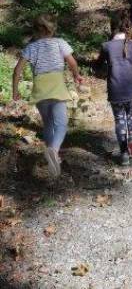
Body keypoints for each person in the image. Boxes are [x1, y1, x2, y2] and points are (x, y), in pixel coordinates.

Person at [12, 14, 83, 178]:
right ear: (52, 29)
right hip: (56, 85)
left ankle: (53, 160)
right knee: (62, 123)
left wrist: (15, 91)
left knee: (48, 123)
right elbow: (72, 62)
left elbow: (17, 70)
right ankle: (54, 150)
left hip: (40, 88)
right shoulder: (60, 43)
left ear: (36, 30)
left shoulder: (31, 47)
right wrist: (76, 75)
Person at [98, 10, 132, 165]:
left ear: (112, 28)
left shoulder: (106, 46)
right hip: (130, 89)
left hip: (115, 90)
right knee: (131, 115)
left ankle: (123, 154)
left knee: (119, 120)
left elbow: (97, 66)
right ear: (126, 28)